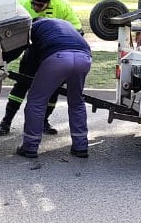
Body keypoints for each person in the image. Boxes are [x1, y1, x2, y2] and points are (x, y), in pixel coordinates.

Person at [0, 0, 83, 137]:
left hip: (55, 52)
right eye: (33, 3)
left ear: (48, 2)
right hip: (31, 50)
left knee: (54, 88)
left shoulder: (62, 6)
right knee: (22, 85)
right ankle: (6, 122)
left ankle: (44, 121)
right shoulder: (20, 5)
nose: (35, 7)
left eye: (40, 5)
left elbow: (77, 30)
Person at [16, 17, 93, 159]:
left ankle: (30, 147)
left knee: (36, 101)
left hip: (57, 57)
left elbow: (29, 54)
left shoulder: (33, 27)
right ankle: (81, 147)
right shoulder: (65, 24)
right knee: (76, 102)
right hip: (84, 57)